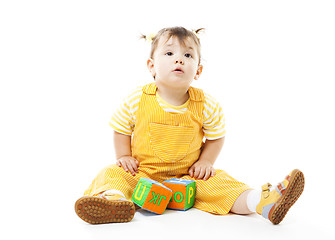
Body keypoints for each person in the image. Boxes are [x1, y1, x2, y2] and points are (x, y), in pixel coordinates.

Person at [74, 26, 304, 225]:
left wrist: (205, 162)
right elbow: (121, 128)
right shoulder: (138, 98)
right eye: (169, 53)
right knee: (111, 173)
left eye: (187, 55)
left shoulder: (206, 105)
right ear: (151, 66)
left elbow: (216, 137)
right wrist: (124, 155)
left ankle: (262, 202)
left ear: (198, 70)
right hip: (141, 174)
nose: (179, 59)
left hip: (188, 177)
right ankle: (113, 201)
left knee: (222, 183)